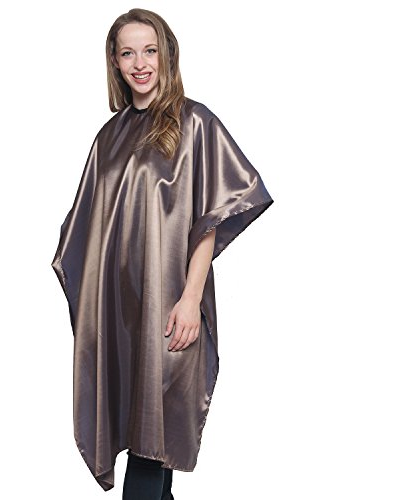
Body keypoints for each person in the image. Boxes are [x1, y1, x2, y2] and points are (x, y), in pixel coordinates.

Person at [51, 8, 274, 499]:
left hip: (169, 306)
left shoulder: (194, 123)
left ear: (166, 54)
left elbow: (210, 217)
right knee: (147, 446)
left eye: (149, 50)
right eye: (128, 53)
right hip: (120, 313)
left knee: (155, 438)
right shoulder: (108, 138)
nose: (140, 64)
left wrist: (191, 298)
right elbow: (87, 230)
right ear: (114, 61)